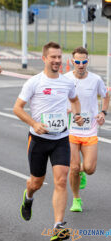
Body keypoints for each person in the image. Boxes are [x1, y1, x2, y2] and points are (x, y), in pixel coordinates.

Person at [13, 42, 83, 241]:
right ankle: (28, 197)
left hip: (60, 138)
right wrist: (34, 123)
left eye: (59, 57)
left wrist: (77, 115)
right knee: (36, 182)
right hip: (38, 140)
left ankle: (58, 226)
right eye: (53, 57)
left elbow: (75, 100)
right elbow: (17, 108)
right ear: (44, 59)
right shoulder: (34, 82)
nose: (57, 61)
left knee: (61, 180)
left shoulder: (67, 82)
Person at [64, 47, 109, 213]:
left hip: (90, 130)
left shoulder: (96, 79)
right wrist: (66, 109)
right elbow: (59, 98)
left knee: (89, 168)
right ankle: (76, 199)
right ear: (72, 61)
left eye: (84, 62)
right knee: (73, 167)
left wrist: (103, 112)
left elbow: (105, 96)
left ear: (87, 61)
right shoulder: (66, 79)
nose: (81, 65)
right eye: (77, 62)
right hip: (71, 130)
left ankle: (81, 172)